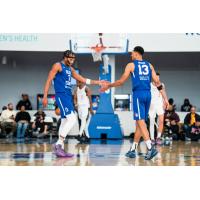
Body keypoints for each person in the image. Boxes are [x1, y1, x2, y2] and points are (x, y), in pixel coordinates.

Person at [101, 46, 169, 160]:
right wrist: (165, 98)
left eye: (132, 54)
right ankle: (133, 149)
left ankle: (150, 147)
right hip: (148, 95)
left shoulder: (131, 65)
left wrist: (109, 85)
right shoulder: (149, 65)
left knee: (140, 121)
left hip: (138, 94)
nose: (131, 55)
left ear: (137, 54)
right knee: (139, 123)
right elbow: (158, 83)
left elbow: (121, 81)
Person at [42, 50, 105, 157]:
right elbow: (48, 80)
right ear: (65, 57)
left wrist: (97, 82)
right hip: (61, 95)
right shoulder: (58, 65)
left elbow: (82, 79)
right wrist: (45, 96)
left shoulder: (70, 69)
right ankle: (58, 144)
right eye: (70, 58)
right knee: (72, 119)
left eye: (73, 59)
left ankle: (59, 148)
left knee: (64, 121)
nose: (72, 61)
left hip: (68, 96)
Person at [149, 72, 166, 145]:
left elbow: (163, 93)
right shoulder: (149, 85)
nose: (157, 78)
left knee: (161, 121)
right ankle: (152, 139)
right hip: (152, 105)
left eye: (158, 77)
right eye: (156, 77)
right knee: (152, 122)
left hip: (159, 105)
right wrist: (148, 104)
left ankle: (158, 137)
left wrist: (164, 102)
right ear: (153, 77)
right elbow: (147, 95)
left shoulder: (162, 85)